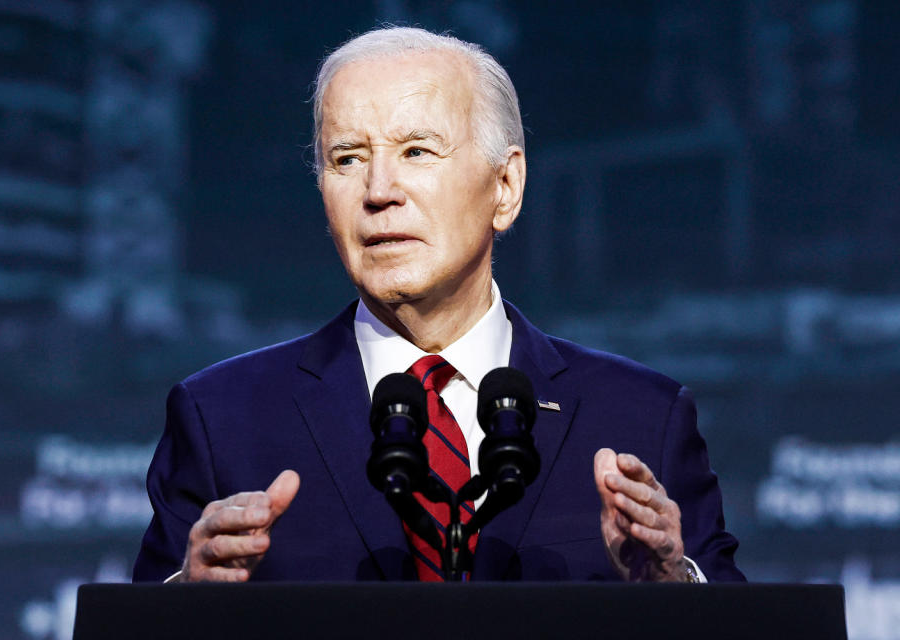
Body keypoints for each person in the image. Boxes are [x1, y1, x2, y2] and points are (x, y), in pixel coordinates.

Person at [133, 26, 743, 584]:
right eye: (347, 158)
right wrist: (188, 599)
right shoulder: (221, 418)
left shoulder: (641, 418)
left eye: (416, 152)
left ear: (505, 188)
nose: (377, 192)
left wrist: (675, 587)